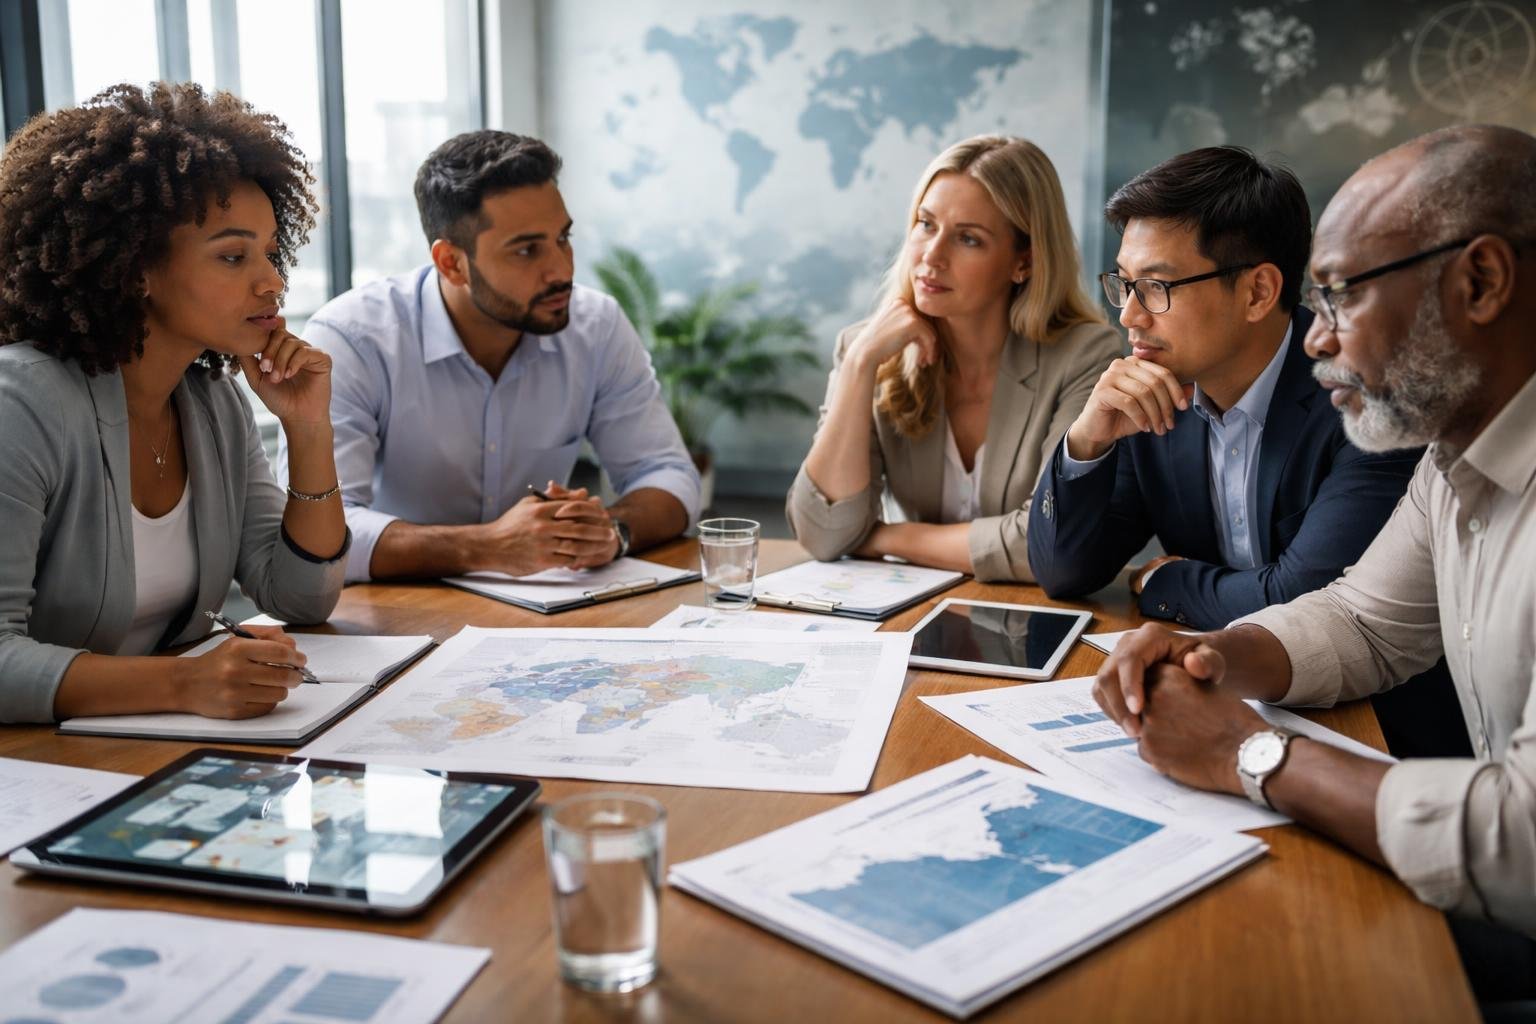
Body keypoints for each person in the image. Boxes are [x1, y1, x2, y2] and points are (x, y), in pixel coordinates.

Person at [1092, 126, 1536, 995]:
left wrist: (1251, 756)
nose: (1313, 341)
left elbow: (1521, 841)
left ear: (1480, 281)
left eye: (1337, 298)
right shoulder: (1456, 460)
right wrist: (1218, 652)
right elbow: (1362, 620)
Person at [0, 83, 349, 724]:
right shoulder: (20, 405)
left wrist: (307, 429)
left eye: (271, 251)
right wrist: (181, 684)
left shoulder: (212, 402)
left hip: (140, 754)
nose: (272, 280)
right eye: (233, 255)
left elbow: (301, 598)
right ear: (136, 268)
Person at [1028, 146, 1421, 628]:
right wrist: (1086, 442)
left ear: (1258, 292)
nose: (1129, 315)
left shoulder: (1363, 395)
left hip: (1356, 701)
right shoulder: (1151, 395)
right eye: (1125, 284)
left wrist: (1164, 584)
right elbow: (1062, 574)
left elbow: (1306, 602)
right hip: (1214, 682)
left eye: (1156, 287)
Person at [281, 131, 699, 584]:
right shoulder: (354, 339)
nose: (562, 269)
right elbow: (322, 537)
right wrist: (486, 547)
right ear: (451, 264)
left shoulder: (594, 325)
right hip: (395, 612)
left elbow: (669, 473)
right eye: (526, 250)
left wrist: (612, 530)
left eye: (563, 238)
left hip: (548, 615)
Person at [785, 135, 1119, 581]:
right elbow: (822, 534)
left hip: (1027, 621)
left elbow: (1044, 544)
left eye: (968, 239)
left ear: (1025, 262)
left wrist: (885, 538)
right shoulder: (867, 350)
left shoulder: (1084, 356)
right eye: (925, 224)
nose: (931, 256)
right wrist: (859, 366)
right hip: (907, 614)